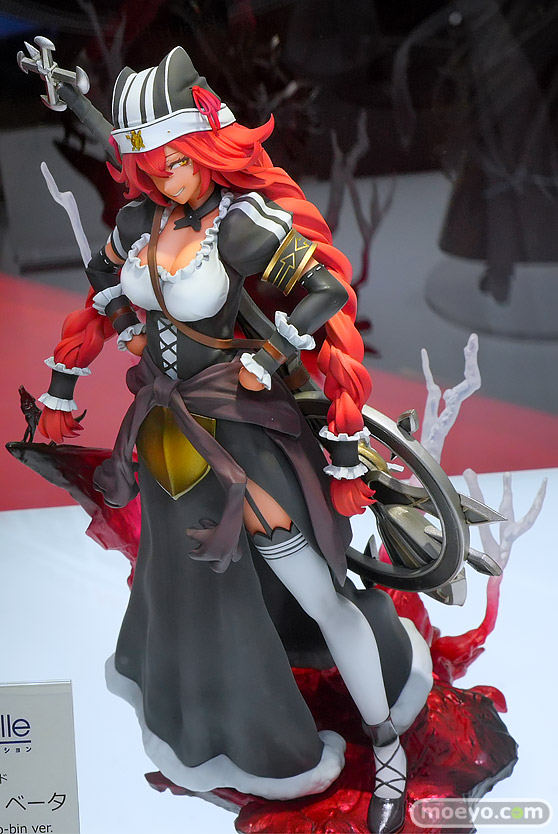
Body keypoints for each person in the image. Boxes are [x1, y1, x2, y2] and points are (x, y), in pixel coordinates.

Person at [36, 46, 432, 834]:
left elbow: (326, 290)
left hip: (243, 434)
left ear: (206, 148)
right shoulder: (138, 222)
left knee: (316, 591)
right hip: (168, 440)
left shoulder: (241, 224)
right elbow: (106, 288)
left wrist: (272, 352)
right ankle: (228, 725)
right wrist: (93, 361)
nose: (167, 178)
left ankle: (387, 741)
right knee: (191, 592)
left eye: (178, 162)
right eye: (153, 165)